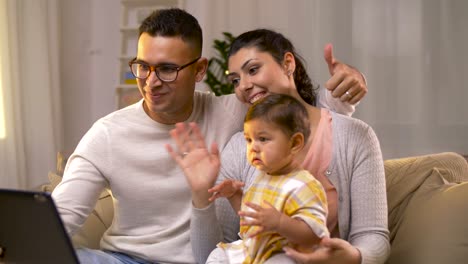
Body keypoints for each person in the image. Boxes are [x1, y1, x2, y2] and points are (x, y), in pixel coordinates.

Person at [51, 7, 368, 264]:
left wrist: (344, 91)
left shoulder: (235, 112)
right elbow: (58, 219)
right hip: (125, 260)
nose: (151, 82)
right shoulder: (107, 135)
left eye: (167, 69)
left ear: (200, 70)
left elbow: (295, 113)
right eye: (143, 66)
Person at [172, 29, 390, 264]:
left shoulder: (355, 136)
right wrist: (201, 196)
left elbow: (373, 237)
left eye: (253, 69)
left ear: (288, 63)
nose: (243, 86)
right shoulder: (239, 149)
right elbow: (210, 255)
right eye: (235, 80)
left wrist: (351, 258)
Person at [168, 94, 329, 263]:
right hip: (252, 251)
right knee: (218, 256)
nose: (253, 148)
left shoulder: (305, 185)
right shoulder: (261, 178)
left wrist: (280, 223)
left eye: (263, 139)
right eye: (249, 140)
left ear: (295, 143)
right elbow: (250, 219)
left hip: (283, 254)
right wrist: (234, 195)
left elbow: (315, 236)